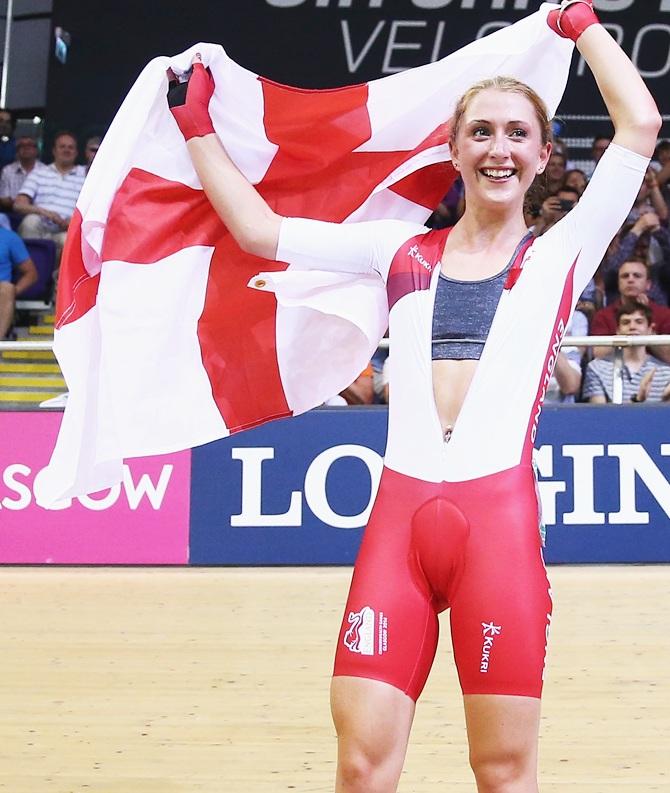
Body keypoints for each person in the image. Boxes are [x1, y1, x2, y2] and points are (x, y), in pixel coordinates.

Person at [168, 2, 659, 790]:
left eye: (517, 134)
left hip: (495, 532)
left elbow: (638, 122)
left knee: (502, 772)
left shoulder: (565, 250)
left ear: (542, 158)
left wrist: (581, 24)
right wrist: (195, 128)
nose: (498, 148)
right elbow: (261, 232)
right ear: (454, 149)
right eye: (481, 132)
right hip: (398, 529)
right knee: (362, 769)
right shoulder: (396, 249)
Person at [13, 131, 86, 258]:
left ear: (76, 152)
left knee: (69, 239)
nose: (66, 150)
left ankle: (56, 278)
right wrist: (46, 213)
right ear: (54, 151)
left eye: (70, 147)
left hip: (66, 230)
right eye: (62, 147)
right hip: (39, 226)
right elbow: (19, 205)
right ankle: (29, 272)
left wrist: (74, 222)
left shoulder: (85, 177)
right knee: (30, 221)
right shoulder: (39, 172)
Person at [583, 301, 670, 403]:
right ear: (618, 331)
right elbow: (599, 416)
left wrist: (666, 401)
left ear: (650, 330)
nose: (632, 327)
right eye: (626, 322)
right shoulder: (596, 368)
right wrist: (638, 400)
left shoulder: (666, 372)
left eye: (639, 322)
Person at [590, 259, 670, 362]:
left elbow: (668, 356)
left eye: (637, 276)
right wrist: (623, 333)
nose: (630, 280)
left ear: (648, 284)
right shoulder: (603, 316)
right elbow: (599, 354)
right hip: (612, 372)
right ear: (619, 283)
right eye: (625, 276)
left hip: (658, 374)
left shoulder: (665, 315)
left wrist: (647, 329)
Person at [0, 226, 38, 339]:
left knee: (7, 289)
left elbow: (31, 274)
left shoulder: (9, 238)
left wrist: (11, 294)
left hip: (1, 290)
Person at [0, 136, 48, 212]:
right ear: (17, 151)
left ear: (36, 151)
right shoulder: (7, 170)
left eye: (29, 145)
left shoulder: (46, 171)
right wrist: (22, 205)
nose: (26, 148)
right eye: (22, 146)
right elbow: (3, 199)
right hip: (12, 213)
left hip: (40, 214)